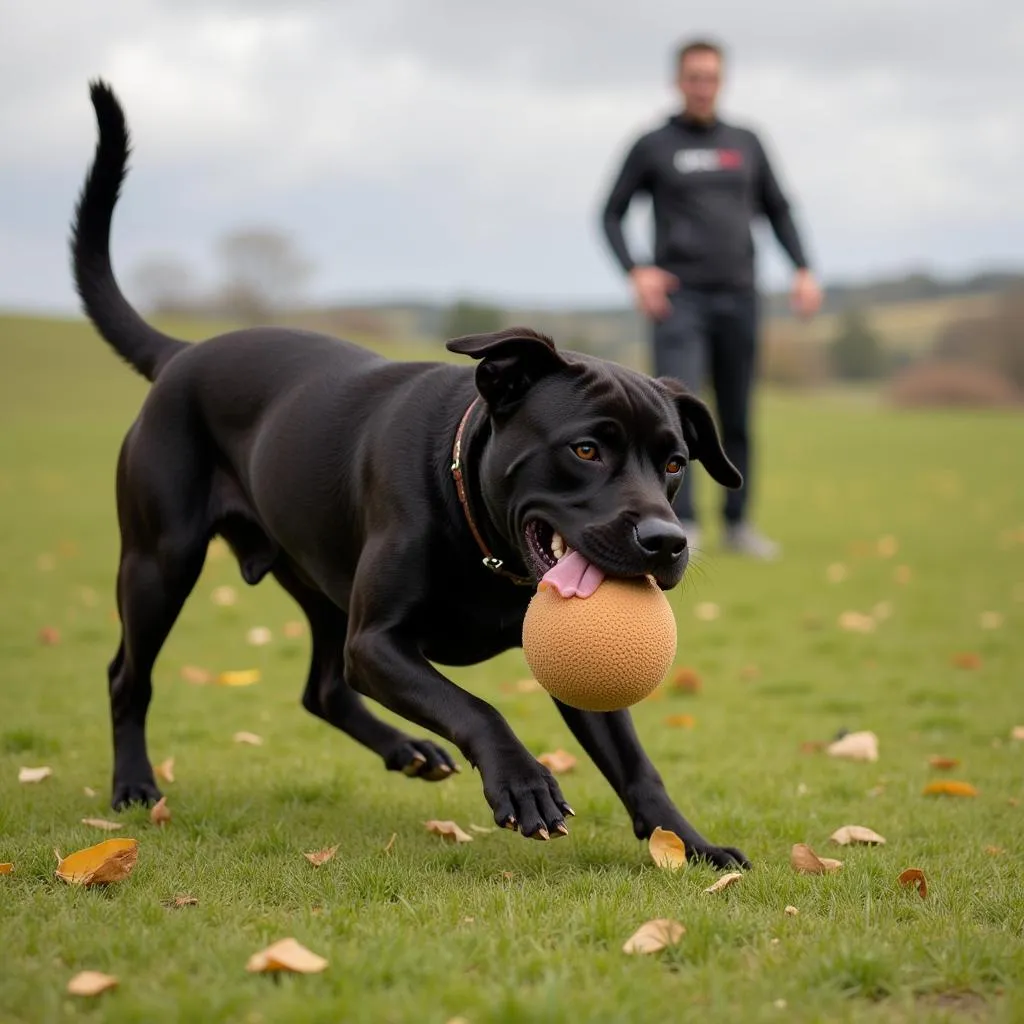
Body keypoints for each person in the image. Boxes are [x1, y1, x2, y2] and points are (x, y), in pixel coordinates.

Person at [601, 38, 821, 559]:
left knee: (739, 414)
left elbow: (779, 209)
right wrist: (637, 271)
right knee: (676, 412)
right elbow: (610, 213)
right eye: (694, 77)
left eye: (711, 77)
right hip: (680, 302)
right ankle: (686, 523)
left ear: (722, 82)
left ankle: (739, 523)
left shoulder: (746, 142)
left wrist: (803, 268)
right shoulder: (653, 144)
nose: (703, 86)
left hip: (740, 298)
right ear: (678, 81)